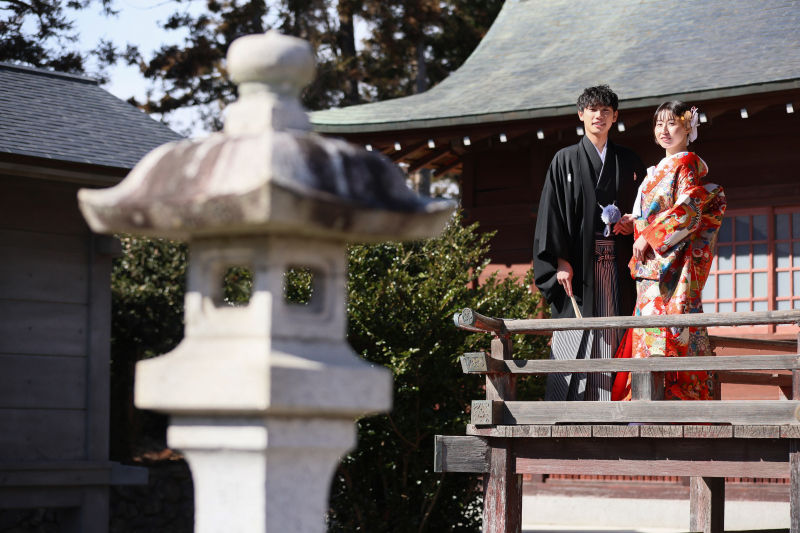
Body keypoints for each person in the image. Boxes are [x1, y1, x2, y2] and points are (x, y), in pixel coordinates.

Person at [534, 85, 647, 401]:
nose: (600, 115)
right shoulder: (564, 160)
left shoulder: (630, 161)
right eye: (593, 110)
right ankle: (570, 414)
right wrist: (560, 260)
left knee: (616, 331)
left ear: (615, 117)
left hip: (619, 264)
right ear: (581, 114)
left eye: (606, 111)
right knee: (577, 333)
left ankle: (616, 407)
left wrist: (634, 224)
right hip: (578, 265)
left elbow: (647, 210)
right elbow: (551, 213)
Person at [623, 101, 727, 401]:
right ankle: (646, 404)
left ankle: (673, 403)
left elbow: (688, 211)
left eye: (672, 123)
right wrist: (635, 222)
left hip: (671, 267)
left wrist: (649, 236)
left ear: (688, 127)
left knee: (668, 331)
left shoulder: (686, 164)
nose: (664, 130)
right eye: (659, 124)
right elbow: (655, 213)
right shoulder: (657, 170)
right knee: (648, 332)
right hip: (651, 267)